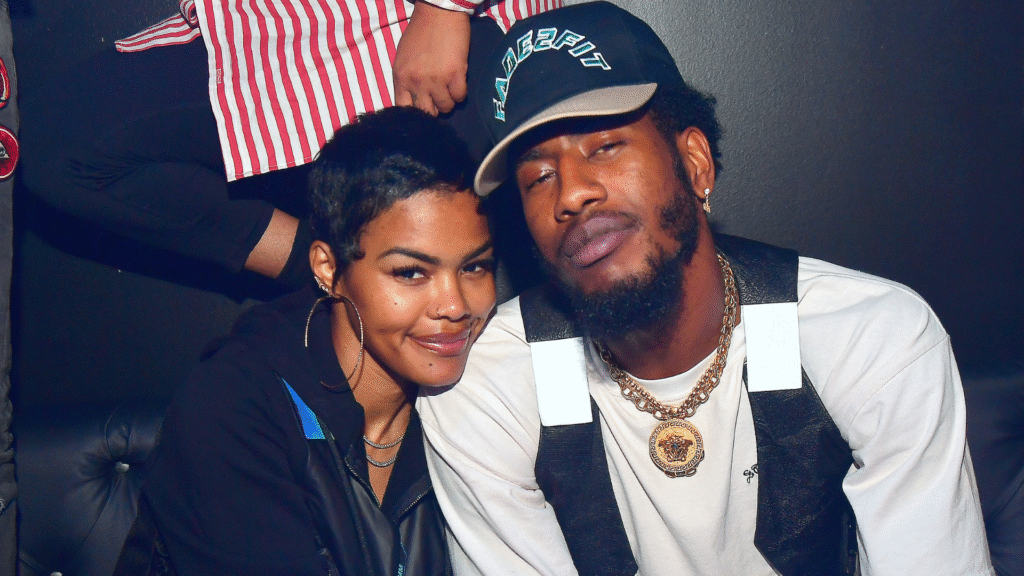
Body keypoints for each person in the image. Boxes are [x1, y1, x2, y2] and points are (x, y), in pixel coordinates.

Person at [416, 3, 995, 575]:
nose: (569, 194)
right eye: (537, 177)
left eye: (606, 147)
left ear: (694, 163)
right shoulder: (487, 389)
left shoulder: (868, 337)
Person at [139, 106, 496, 574]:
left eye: (475, 267)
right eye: (411, 273)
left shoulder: (483, 393)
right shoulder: (234, 406)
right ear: (328, 269)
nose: (454, 306)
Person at [19, 0, 556, 289]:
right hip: (264, 32)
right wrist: (317, 267)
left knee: (467, 310)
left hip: (422, 32)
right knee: (57, 143)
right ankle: (334, 280)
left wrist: (445, 8)